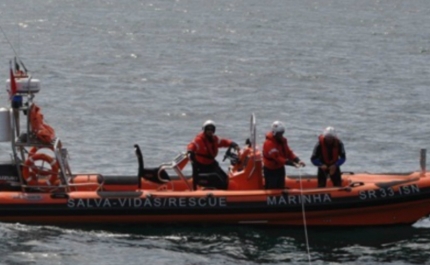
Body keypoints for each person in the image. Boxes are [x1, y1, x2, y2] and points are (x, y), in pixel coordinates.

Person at [187, 120, 239, 190]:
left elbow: (223, 142)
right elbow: (192, 145)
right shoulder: (199, 140)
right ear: (204, 130)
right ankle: (219, 193)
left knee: (225, 178)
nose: (210, 131)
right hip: (202, 166)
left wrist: (232, 144)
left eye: (211, 129)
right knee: (218, 181)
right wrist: (190, 151)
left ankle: (226, 190)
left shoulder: (214, 139)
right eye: (208, 129)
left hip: (211, 164)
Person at [262, 121, 306, 189]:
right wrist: (292, 164)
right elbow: (278, 158)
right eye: (280, 133)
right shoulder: (269, 144)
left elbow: (288, 152)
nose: (281, 135)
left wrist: (298, 160)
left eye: (282, 133)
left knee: (281, 186)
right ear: (275, 133)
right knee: (272, 188)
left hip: (280, 168)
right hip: (271, 170)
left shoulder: (283, 140)